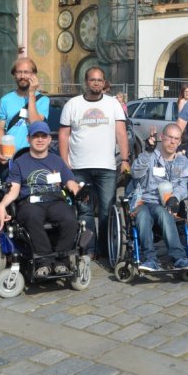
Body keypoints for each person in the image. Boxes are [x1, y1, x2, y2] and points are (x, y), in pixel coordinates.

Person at [59, 66, 130, 256]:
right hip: (79, 166)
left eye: (100, 80)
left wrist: (124, 159)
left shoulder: (113, 103)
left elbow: (121, 133)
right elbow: (64, 135)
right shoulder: (72, 104)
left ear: (104, 83)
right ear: (86, 81)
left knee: (107, 210)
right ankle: (89, 248)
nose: (96, 83)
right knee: (85, 211)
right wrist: (64, 163)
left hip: (106, 167)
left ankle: (106, 248)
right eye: (93, 80)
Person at [0, 121, 81, 277]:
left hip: (54, 200)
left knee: (70, 218)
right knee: (32, 217)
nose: (40, 140)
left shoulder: (57, 161)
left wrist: (76, 189)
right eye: (36, 136)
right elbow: (14, 189)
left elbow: (70, 181)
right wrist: (2, 205)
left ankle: (62, 260)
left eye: (44, 136)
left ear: (49, 139)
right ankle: (44, 261)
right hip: (30, 202)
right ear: (29, 139)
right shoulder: (19, 163)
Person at [130, 124, 188, 271]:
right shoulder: (150, 155)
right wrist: (147, 151)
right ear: (161, 137)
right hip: (144, 200)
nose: (172, 142)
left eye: (176, 139)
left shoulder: (182, 161)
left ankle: (179, 257)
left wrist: (176, 197)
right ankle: (150, 259)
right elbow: (135, 173)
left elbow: (182, 185)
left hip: (165, 204)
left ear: (180, 142)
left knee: (161, 212)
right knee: (143, 215)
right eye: (169, 137)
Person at [0, 58, 49, 164]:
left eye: (26, 72)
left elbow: (35, 124)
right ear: (14, 75)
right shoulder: (5, 100)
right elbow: (0, 129)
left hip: (34, 157)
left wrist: (32, 93)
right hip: (11, 158)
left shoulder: (43, 100)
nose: (22, 76)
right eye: (19, 72)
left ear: (34, 74)